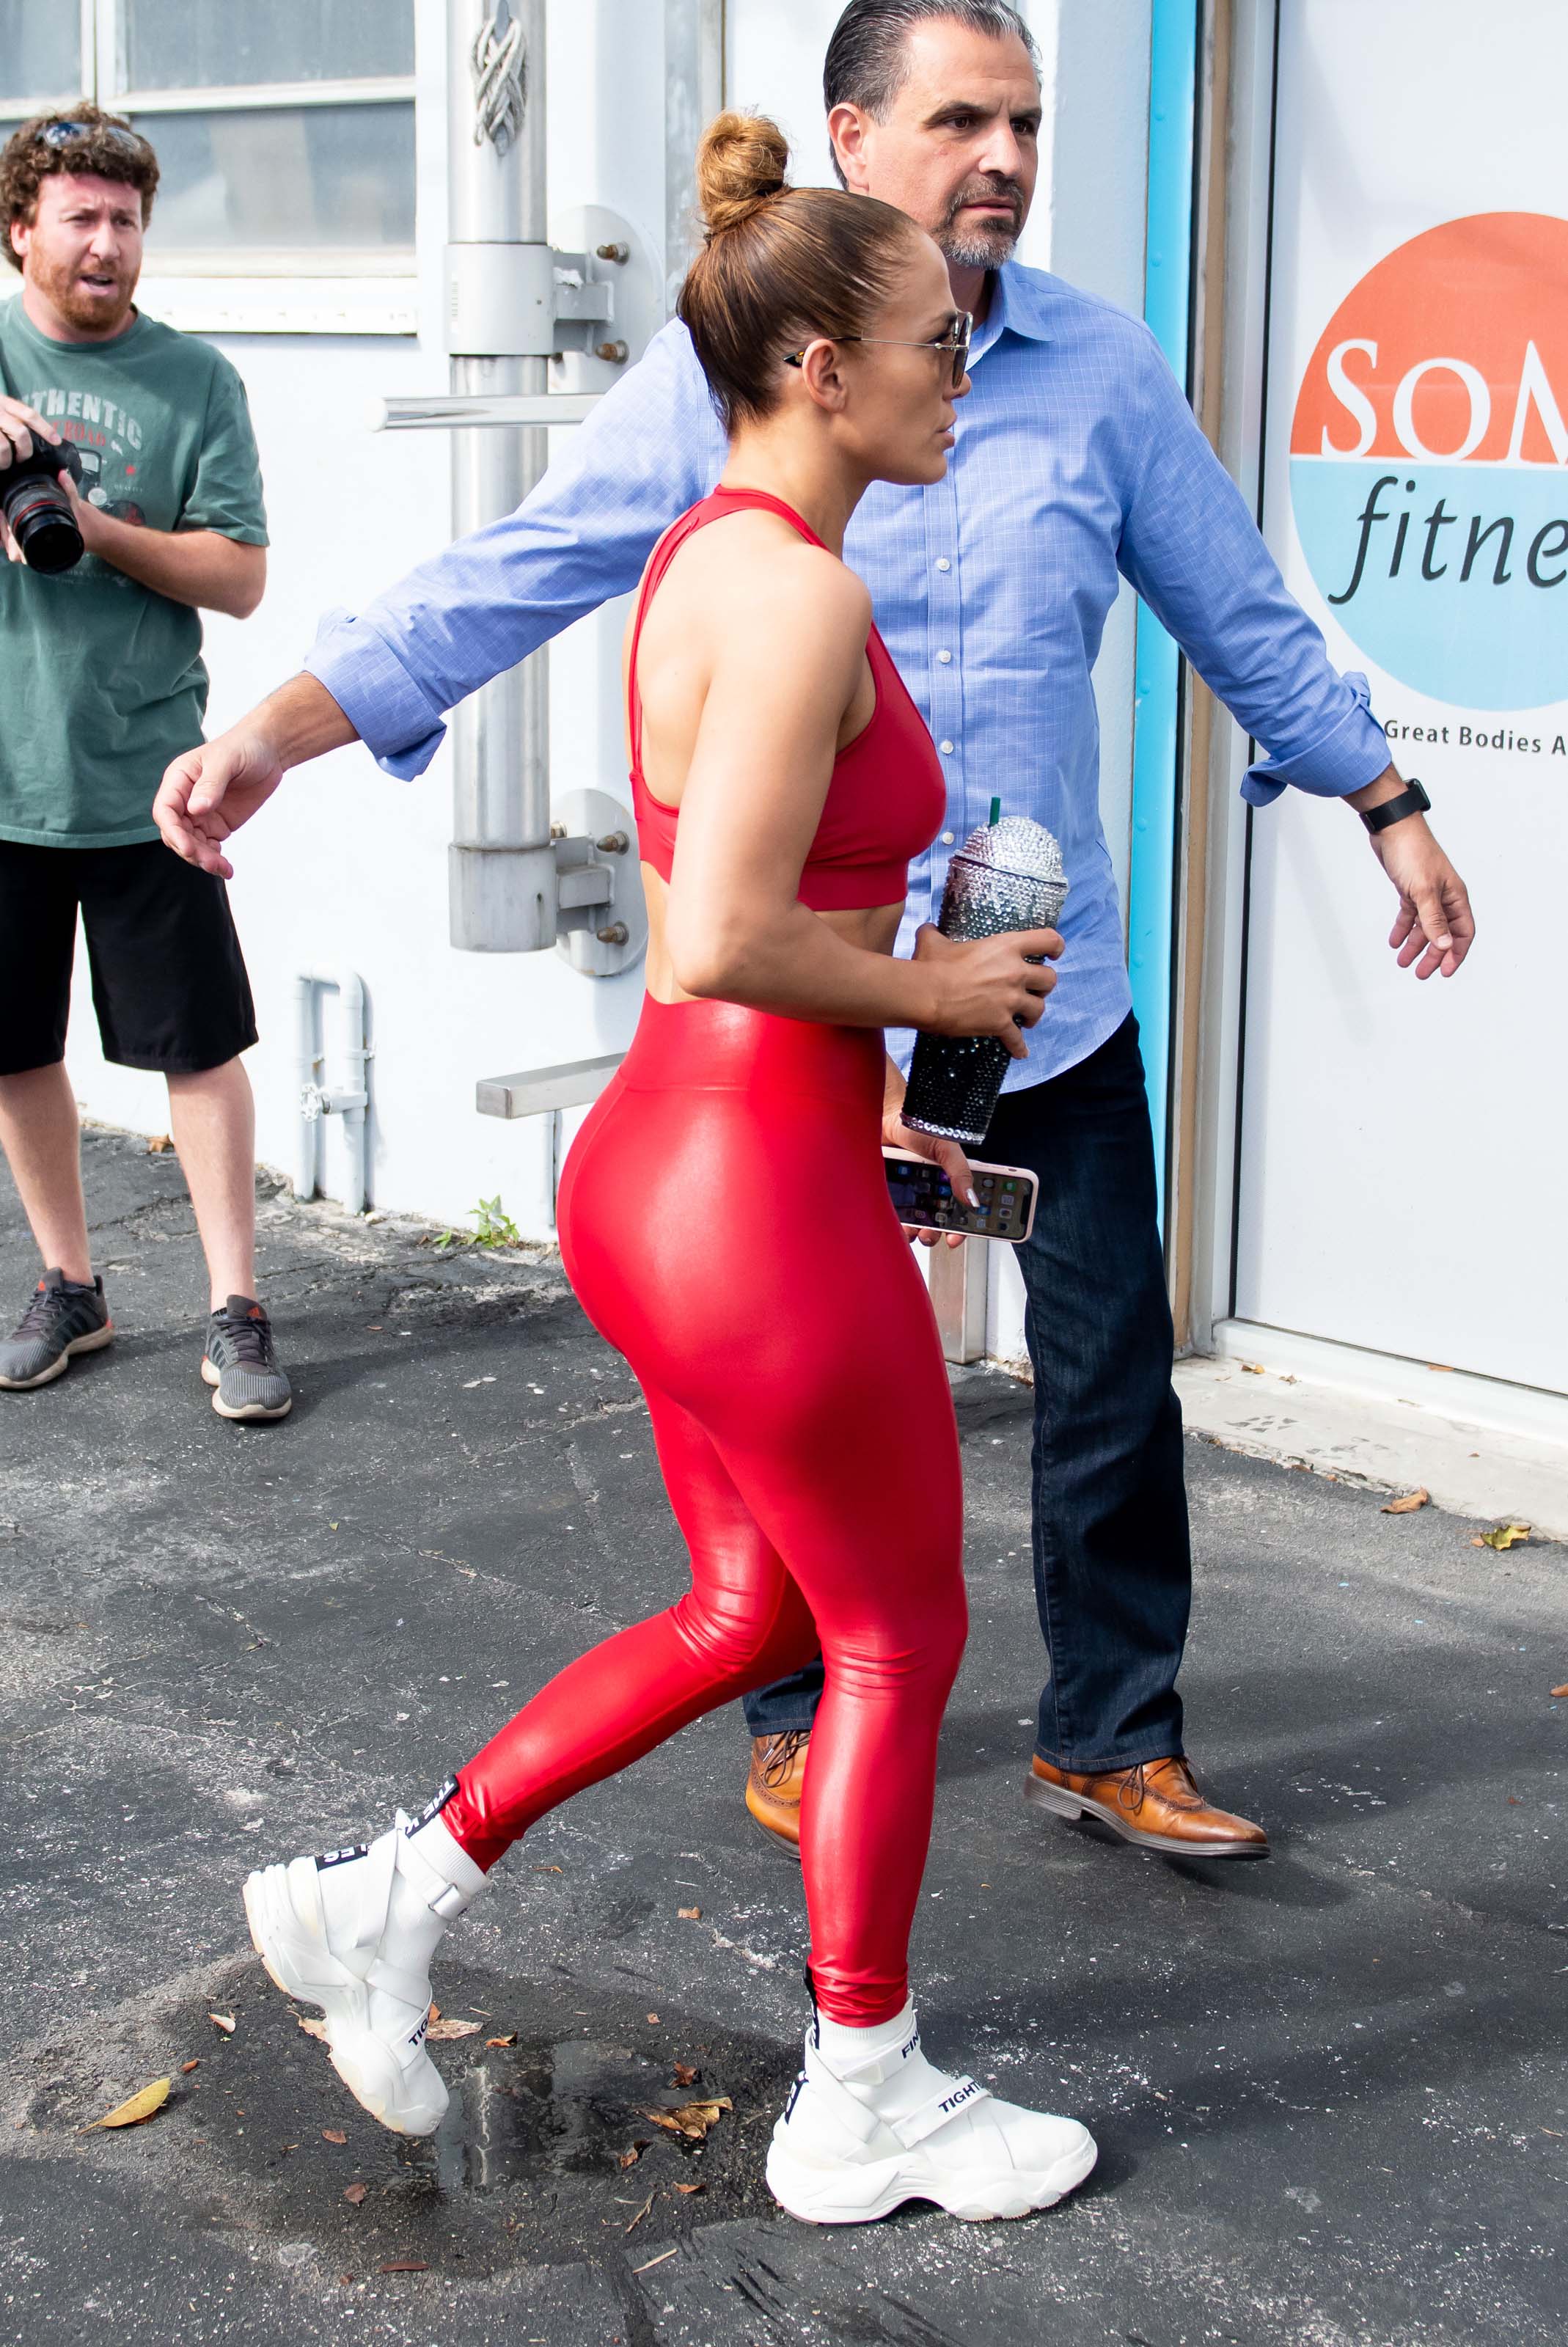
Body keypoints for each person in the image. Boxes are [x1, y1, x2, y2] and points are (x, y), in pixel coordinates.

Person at [155, 3, 1476, 1848]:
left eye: (1026, 120)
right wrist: (272, 737)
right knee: (795, 1397)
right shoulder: (728, 379)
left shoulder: (1096, 368)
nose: (1004, 155)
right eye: (961, 119)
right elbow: (515, 573)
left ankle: (1110, 1730)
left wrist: (1384, 804)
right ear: (855, 137)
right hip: (814, 1018)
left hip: (1034, 992)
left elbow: (1238, 607)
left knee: (1105, 1373)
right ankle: (791, 1710)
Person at [236, 113, 1096, 2228]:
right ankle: (866, 2092)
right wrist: (943, 986)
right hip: (750, 1205)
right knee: (894, 1635)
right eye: (930, 339)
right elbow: (718, 929)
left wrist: (860, 1066)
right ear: (816, 363)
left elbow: (697, 907)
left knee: (747, 1611)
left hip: (683, 1161)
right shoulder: (793, 592)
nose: (956, 369)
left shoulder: (705, 564)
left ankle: (388, 1894)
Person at [0, 106, 290, 1423]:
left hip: (148, 772)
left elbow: (238, 576)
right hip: (3, 780)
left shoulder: (194, 381)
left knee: (197, 1044)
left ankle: (235, 1306)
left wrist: (96, 522)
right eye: (82, 218)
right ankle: (72, 1284)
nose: (108, 244)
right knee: (14, 1049)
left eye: (126, 221)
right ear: (21, 232)